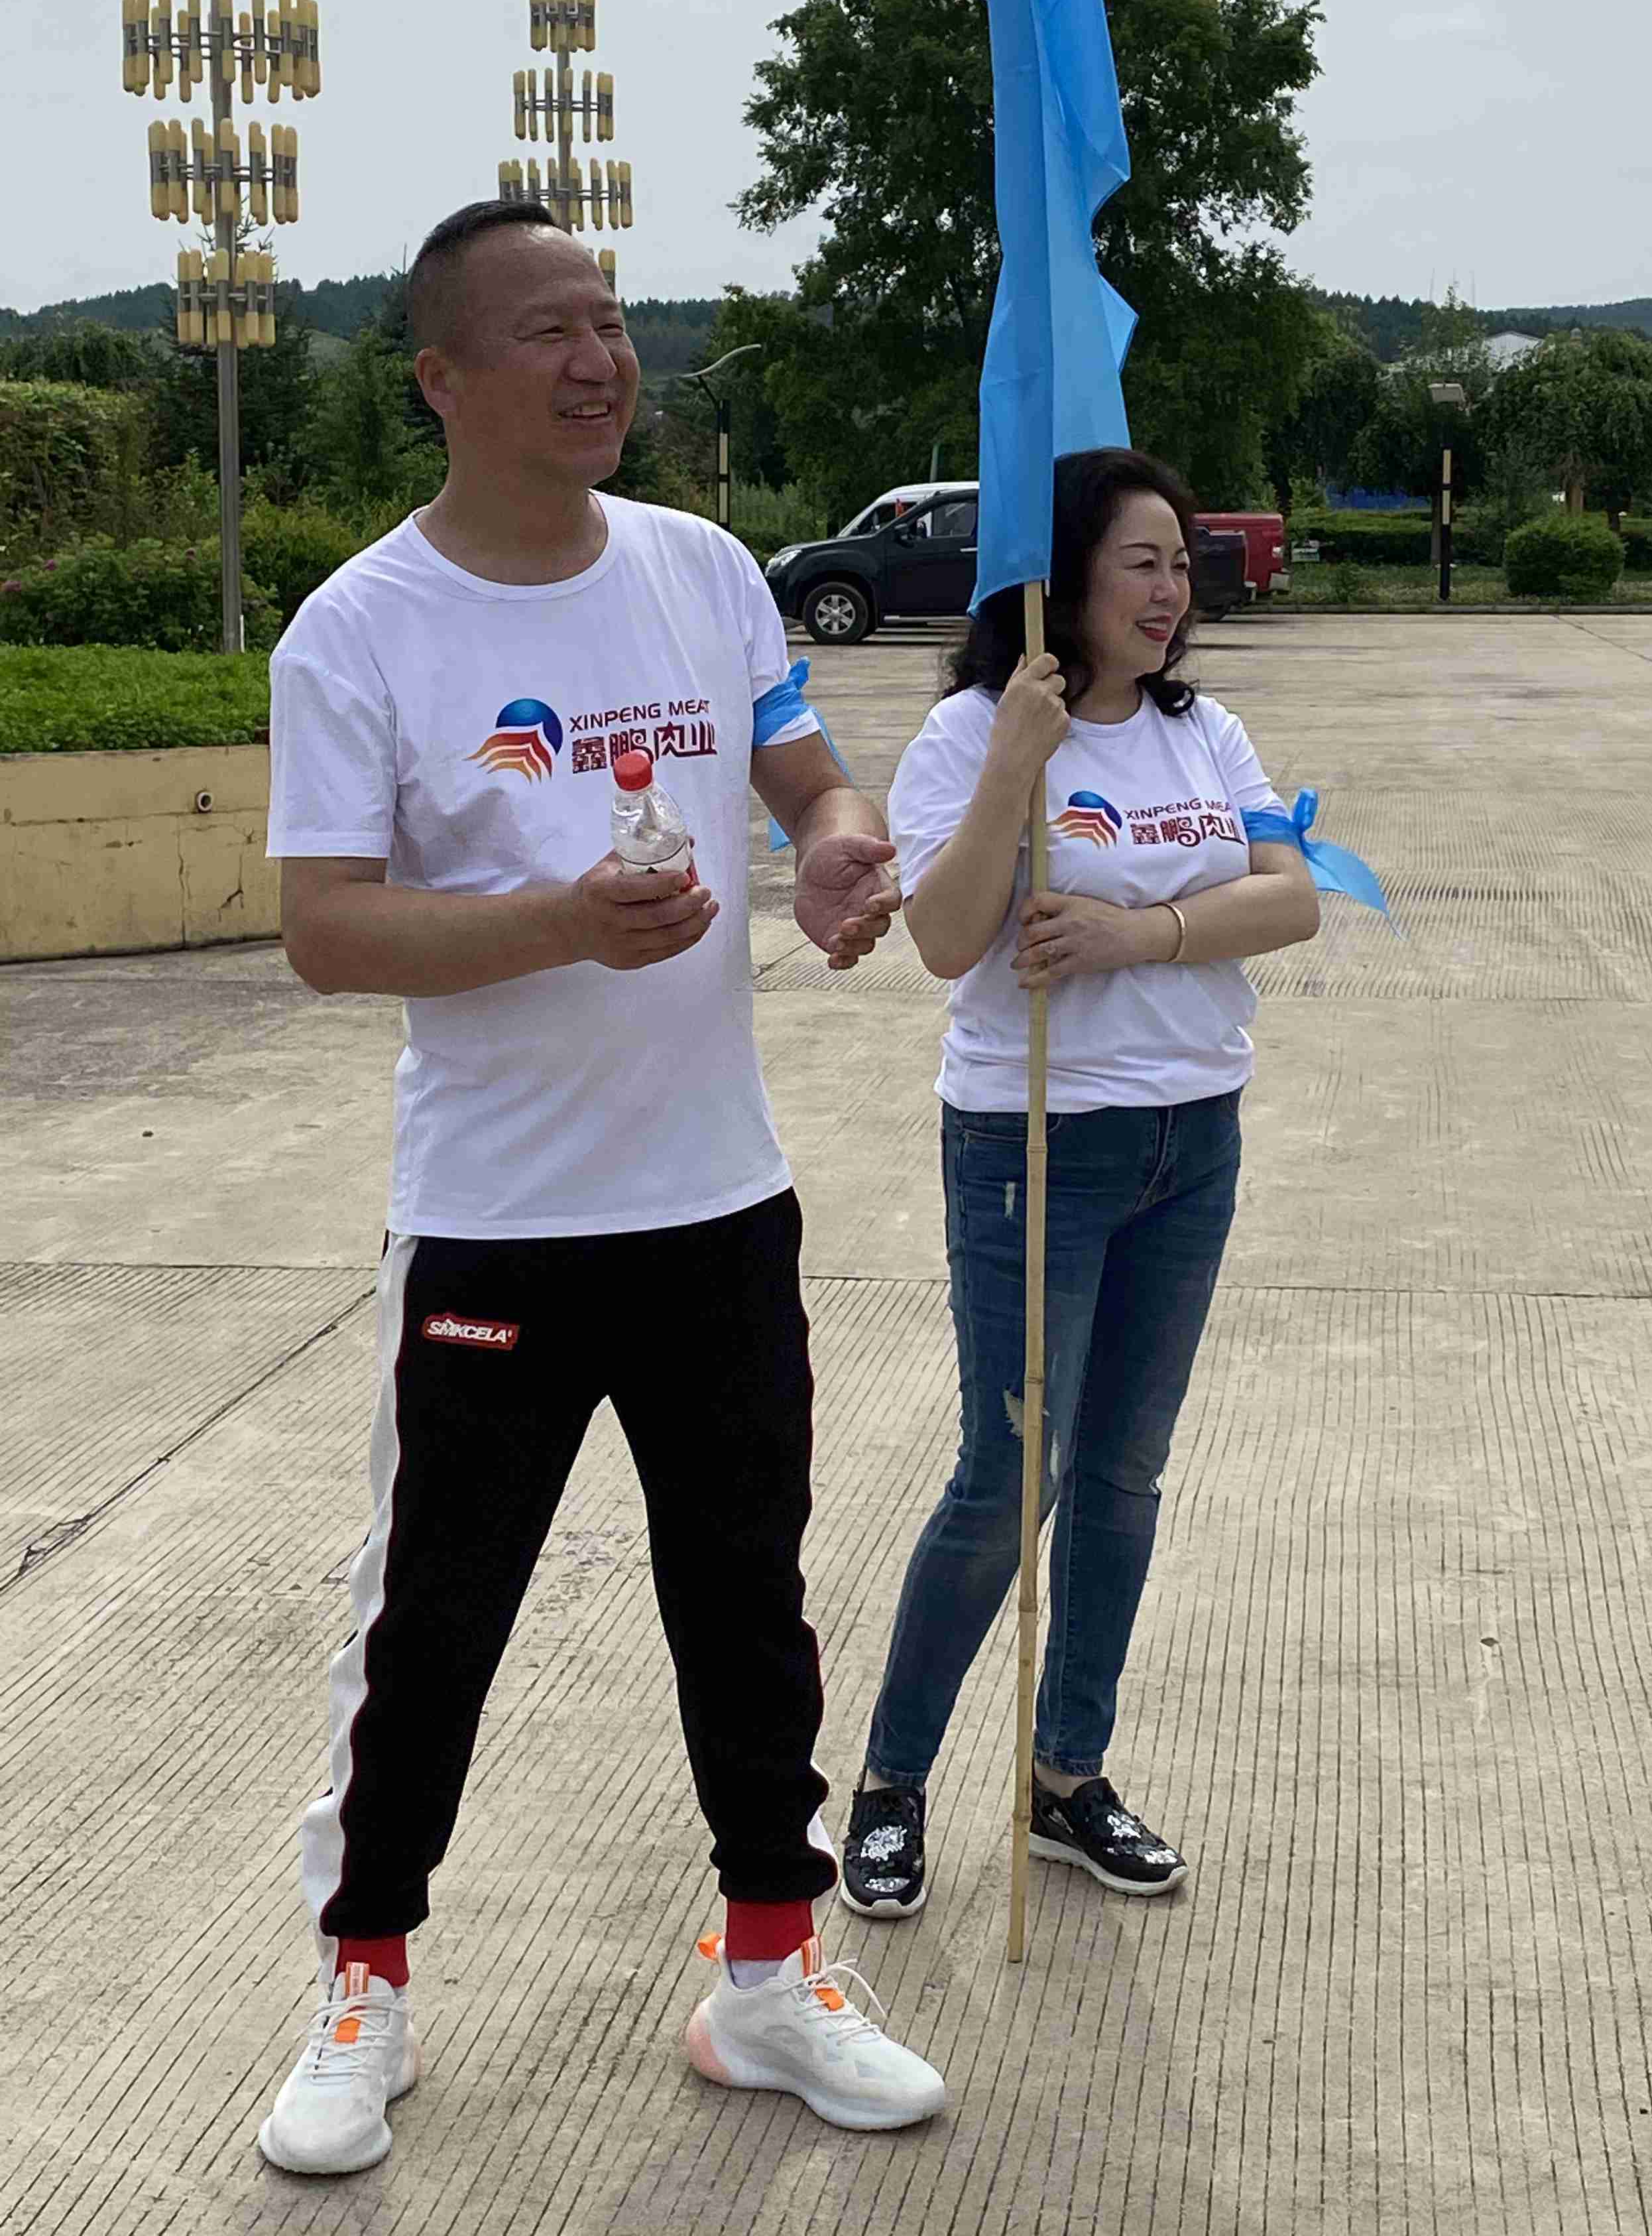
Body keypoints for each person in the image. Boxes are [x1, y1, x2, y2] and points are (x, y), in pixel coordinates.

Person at [257, 200, 946, 2174]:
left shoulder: (701, 569)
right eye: (550, 331)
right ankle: (364, 1986)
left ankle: (768, 1973)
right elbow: (325, 929)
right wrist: (563, 919)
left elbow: (798, 763)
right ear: (441, 379)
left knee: (746, 1602)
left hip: (717, 1200)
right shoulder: (362, 631)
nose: (601, 361)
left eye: (616, 322)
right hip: (498, 1223)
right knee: (434, 1621)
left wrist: (835, 839)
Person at [839, 448, 1321, 1920]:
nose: (1172, 593)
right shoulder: (971, 734)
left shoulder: (1204, 730)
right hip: (1031, 1147)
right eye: (1141, 563)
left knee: (1121, 1474)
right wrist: (1013, 764)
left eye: (1182, 565)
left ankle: (1066, 1776)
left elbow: (1291, 898)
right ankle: (891, 1784)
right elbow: (945, 940)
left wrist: (1139, 936)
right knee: (1009, 1478)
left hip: (1192, 1138)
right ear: (1060, 580)